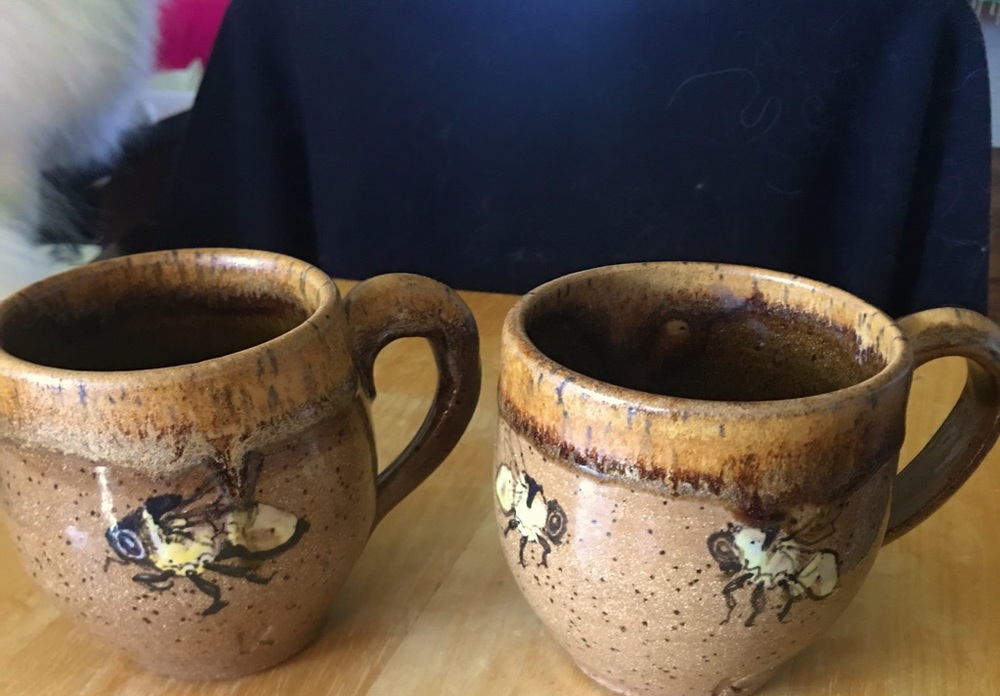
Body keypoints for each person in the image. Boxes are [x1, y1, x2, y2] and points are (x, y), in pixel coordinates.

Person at [154, 0, 991, 317]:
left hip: (749, 515)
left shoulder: (911, 25)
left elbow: (940, 365)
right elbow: (207, 313)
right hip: (383, 496)